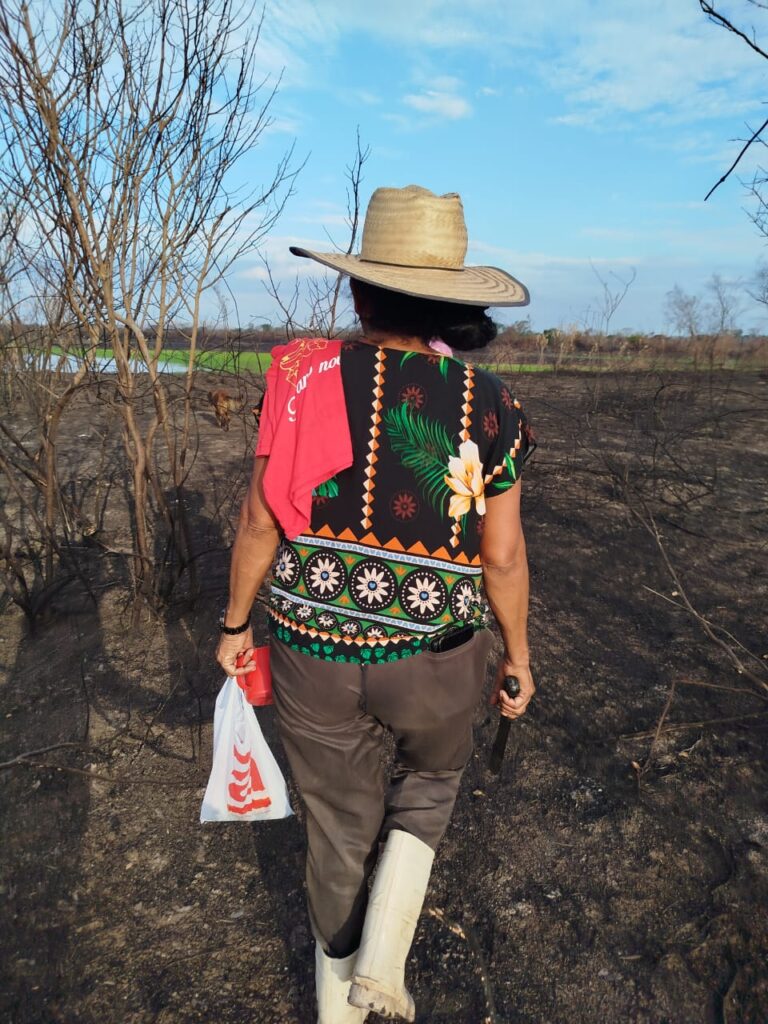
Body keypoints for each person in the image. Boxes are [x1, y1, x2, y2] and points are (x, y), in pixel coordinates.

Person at [216, 184, 536, 1022]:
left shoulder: (303, 380)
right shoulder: (491, 404)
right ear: (451, 299)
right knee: (433, 779)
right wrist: (520, 657)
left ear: (357, 291)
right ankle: (385, 963)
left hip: (313, 652)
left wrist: (235, 624)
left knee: (337, 826)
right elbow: (501, 556)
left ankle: (341, 1009)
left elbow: (259, 520)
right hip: (438, 652)